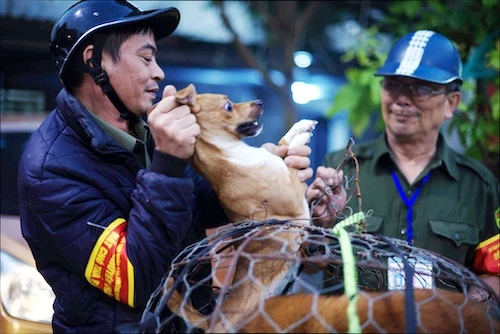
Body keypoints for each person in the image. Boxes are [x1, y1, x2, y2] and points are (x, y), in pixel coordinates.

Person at [17, 1, 344, 332]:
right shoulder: (51, 171)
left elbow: (202, 202)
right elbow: (139, 281)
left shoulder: (145, 128)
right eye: (146, 58)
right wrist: (168, 162)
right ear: (93, 61)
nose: (158, 72)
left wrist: (267, 178)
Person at [320, 30, 499, 296]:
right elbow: (307, 263)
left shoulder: (479, 185)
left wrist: (462, 317)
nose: (402, 99)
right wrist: (319, 223)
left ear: (452, 103)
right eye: (392, 85)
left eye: (421, 88)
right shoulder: (339, 169)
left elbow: (492, 272)